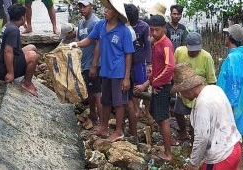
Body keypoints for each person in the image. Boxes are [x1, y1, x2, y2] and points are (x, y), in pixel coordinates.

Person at [68, 0, 134, 142]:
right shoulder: (101, 26)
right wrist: (76, 44)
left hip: (118, 71)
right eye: (105, 8)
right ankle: (103, 127)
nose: (105, 11)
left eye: (108, 9)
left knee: (119, 102)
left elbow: (129, 54)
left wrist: (127, 77)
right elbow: (90, 39)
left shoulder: (124, 31)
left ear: (116, 13)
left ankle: (119, 131)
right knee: (105, 101)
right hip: (105, 70)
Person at [171, 63, 242, 170]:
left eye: (181, 92)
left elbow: (202, 138)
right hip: (234, 146)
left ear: (187, 89)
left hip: (220, 157)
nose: (181, 96)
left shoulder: (202, 103)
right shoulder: (215, 89)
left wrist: (193, 163)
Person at [134, 15, 175, 161]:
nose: (153, 33)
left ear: (164, 28)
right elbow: (157, 69)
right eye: (151, 30)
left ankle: (168, 153)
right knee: (155, 112)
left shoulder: (165, 44)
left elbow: (170, 67)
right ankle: (169, 140)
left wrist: (156, 83)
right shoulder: (157, 43)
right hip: (158, 84)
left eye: (156, 30)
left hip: (163, 86)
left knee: (163, 118)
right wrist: (146, 84)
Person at [173, 32, 216, 141]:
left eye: (196, 50)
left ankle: (194, 139)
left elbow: (211, 80)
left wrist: (210, 99)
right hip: (184, 92)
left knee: (196, 120)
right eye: (191, 50)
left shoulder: (207, 57)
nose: (193, 52)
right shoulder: (179, 52)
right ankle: (183, 132)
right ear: (186, 45)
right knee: (177, 112)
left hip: (199, 95)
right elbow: (173, 70)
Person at [217, 24, 243, 135]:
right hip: (234, 103)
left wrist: (229, 108)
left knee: (232, 134)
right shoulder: (238, 55)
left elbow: (234, 85)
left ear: (229, 37)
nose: (225, 37)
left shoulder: (234, 57)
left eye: (226, 35)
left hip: (232, 106)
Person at [0, 4, 39, 96]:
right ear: (23, 18)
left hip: (2, 62)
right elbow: (8, 51)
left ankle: (26, 76)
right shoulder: (13, 30)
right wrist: (11, 73)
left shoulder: (9, 25)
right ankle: (27, 83)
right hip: (4, 70)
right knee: (33, 56)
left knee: (32, 47)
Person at [124, 3, 151, 138]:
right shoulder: (124, 26)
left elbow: (147, 46)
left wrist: (149, 63)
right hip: (127, 61)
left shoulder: (144, 27)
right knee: (131, 87)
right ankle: (136, 110)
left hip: (140, 61)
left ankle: (146, 110)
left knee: (142, 87)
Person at [76, 0, 101, 125]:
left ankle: (102, 122)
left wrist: (94, 65)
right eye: (80, 6)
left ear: (91, 6)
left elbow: (98, 44)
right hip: (85, 63)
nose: (81, 9)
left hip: (93, 64)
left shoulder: (95, 22)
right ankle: (93, 114)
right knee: (90, 90)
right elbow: (79, 42)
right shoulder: (81, 23)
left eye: (84, 6)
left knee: (97, 92)